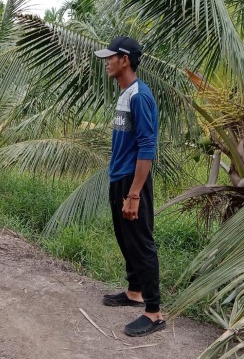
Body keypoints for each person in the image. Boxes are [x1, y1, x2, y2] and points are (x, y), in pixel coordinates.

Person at [94, 36, 165, 337]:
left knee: (140, 242)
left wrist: (134, 193)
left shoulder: (139, 96)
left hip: (132, 181)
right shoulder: (125, 93)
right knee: (125, 239)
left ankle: (154, 312)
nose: (106, 62)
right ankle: (134, 292)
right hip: (119, 177)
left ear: (125, 60)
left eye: (111, 57)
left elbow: (148, 147)